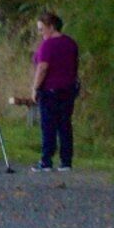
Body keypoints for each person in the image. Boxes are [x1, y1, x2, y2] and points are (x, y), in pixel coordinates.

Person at [31, 12, 81, 170]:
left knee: (48, 125)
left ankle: (46, 160)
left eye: (41, 29)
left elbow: (43, 67)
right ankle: (66, 161)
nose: (40, 33)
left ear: (51, 27)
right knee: (65, 125)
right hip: (68, 88)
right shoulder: (71, 43)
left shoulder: (47, 45)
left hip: (50, 89)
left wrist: (35, 87)